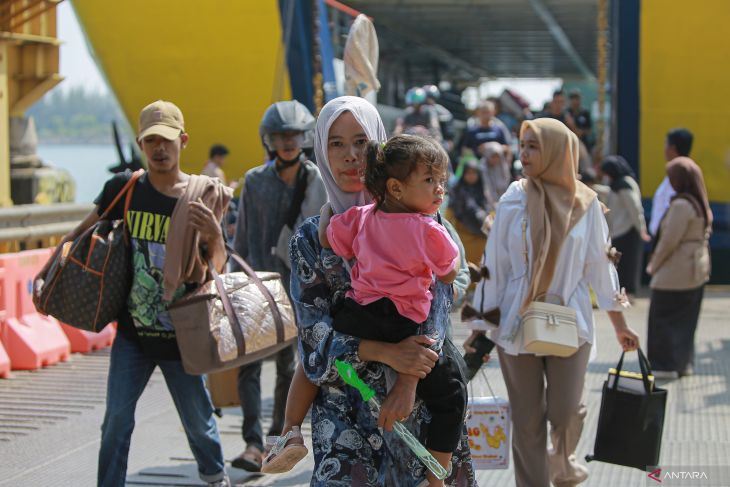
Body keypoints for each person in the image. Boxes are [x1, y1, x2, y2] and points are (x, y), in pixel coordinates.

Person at [279, 96, 476, 486]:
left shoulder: (424, 216)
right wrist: (387, 352)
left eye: (362, 142)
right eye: (336, 143)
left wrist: (407, 380)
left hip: (419, 411)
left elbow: (444, 298)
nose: (351, 156)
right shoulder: (309, 240)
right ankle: (286, 431)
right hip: (345, 419)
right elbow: (313, 338)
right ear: (321, 149)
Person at [35, 100, 232, 487]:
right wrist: (47, 274)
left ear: (184, 141)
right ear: (141, 143)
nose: (160, 149)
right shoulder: (124, 189)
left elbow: (218, 267)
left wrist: (213, 232)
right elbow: (78, 235)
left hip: (183, 335)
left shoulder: (202, 193)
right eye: (151, 140)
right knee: (116, 422)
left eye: (168, 140)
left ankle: (214, 477)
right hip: (132, 333)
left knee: (199, 422)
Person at [467, 118, 640, 487]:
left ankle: (563, 463)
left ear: (559, 151)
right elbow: (494, 266)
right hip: (515, 323)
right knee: (527, 421)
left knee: (563, 413)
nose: (524, 154)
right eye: (523, 145)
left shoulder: (586, 204)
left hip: (571, 321)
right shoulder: (512, 198)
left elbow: (599, 266)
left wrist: (620, 325)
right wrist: (480, 327)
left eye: (534, 146)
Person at [231, 100, 327, 472]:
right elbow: (242, 236)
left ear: (303, 139)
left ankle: (275, 439)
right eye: (279, 136)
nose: (287, 142)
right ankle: (252, 443)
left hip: (298, 289)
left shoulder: (316, 179)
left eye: (293, 136)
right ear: (268, 140)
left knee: (290, 366)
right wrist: (235, 280)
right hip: (257, 285)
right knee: (249, 363)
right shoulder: (254, 180)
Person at [646, 157, 712, 378]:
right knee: (686, 321)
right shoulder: (699, 202)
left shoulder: (681, 205)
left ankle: (664, 365)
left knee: (662, 318)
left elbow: (668, 241)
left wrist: (653, 265)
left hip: (675, 271)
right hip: (696, 270)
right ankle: (683, 363)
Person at [600, 155, 650, 296]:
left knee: (628, 265)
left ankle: (627, 294)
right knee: (620, 265)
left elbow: (635, 208)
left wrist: (641, 229)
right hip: (619, 231)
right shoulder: (618, 184)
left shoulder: (625, 185)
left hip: (628, 231)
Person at [649, 128, 694, 236]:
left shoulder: (679, 177)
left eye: (666, 144)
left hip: (669, 241)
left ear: (672, 148)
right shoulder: (677, 174)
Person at [448, 157, 489, 265]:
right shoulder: (457, 191)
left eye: (474, 173)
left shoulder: (482, 190)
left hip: (482, 237)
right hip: (464, 236)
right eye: (468, 173)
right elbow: (449, 215)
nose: (471, 176)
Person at [481, 141, 512, 208]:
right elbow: (487, 187)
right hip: (488, 202)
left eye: (497, 157)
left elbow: (506, 183)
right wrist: (493, 203)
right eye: (492, 156)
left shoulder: (503, 166)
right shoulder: (483, 168)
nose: (495, 159)